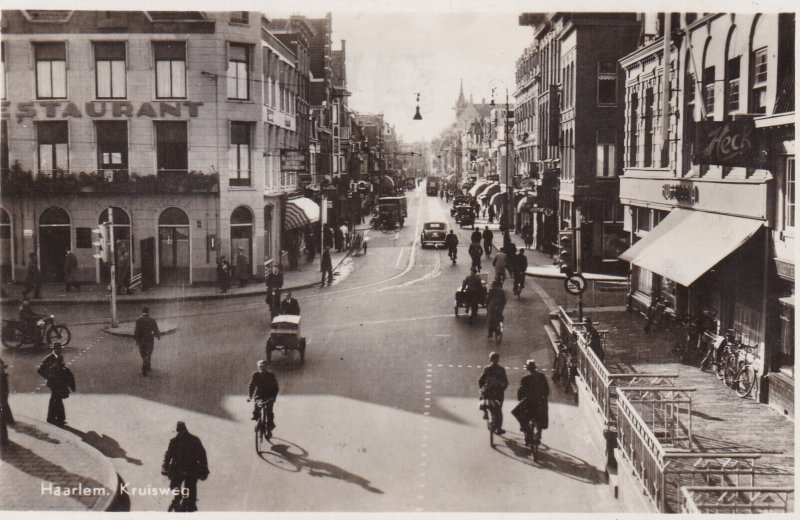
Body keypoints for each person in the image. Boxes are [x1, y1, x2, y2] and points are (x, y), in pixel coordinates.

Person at [161, 421, 209, 512]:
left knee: (177, 485)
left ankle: (182, 501)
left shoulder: (175, 441)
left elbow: (168, 455)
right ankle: (190, 506)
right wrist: (204, 469)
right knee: (190, 488)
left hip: (180, 469)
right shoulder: (194, 439)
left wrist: (166, 467)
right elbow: (202, 455)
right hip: (191, 469)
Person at [513, 360, 550, 445]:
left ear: (527, 368)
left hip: (528, 403)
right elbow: (546, 390)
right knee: (540, 418)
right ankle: (538, 435)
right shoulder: (542, 376)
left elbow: (520, 392)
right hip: (540, 402)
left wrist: (520, 399)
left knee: (518, 413)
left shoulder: (525, 378)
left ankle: (526, 432)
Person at [37, 343, 74, 427]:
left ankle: (53, 418)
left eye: (60, 349)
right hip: (53, 383)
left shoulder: (60, 357)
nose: (59, 350)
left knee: (55, 399)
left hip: (59, 382)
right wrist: (48, 376)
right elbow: (40, 370)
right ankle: (58, 418)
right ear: (54, 349)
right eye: (57, 349)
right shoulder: (49, 358)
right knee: (57, 399)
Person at [478, 352, 508, 435]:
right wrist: (502, 389)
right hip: (498, 393)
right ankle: (498, 429)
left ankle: (485, 412)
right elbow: (506, 382)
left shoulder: (487, 368)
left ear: (490, 359)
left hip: (488, 392)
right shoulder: (501, 369)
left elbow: (481, 380)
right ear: (498, 360)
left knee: (482, 398)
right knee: (499, 411)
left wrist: (482, 388)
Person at [248, 360, 279, 434]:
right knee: (256, 410)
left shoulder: (271, 375)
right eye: (260, 367)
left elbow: (276, 387)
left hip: (269, 396)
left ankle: (269, 427)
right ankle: (259, 422)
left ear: (266, 367)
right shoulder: (255, 375)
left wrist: (273, 397)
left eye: (263, 367)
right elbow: (251, 386)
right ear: (258, 367)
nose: (261, 368)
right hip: (259, 396)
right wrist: (250, 397)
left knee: (269, 412)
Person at [134, 306, 161, 376]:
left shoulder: (139, 320)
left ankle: (147, 365)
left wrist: (137, 340)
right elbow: (156, 329)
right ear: (148, 312)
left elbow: (136, 331)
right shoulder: (152, 320)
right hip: (149, 338)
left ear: (142, 312)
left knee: (143, 353)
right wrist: (158, 336)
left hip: (142, 339)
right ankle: (145, 366)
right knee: (149, 352)